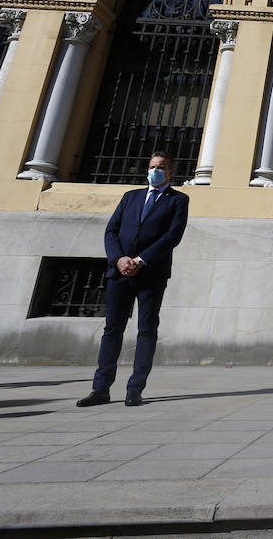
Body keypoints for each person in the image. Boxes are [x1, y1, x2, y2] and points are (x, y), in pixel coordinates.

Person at [77, 152, 189, 408]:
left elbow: (173, 235)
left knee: (146, 330)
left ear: (170, 172)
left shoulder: (178, 200)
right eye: (152, 167)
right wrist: (118, 259)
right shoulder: (131, 197)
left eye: (161, 167)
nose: (155, 171)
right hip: (119, 272)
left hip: (151, 274)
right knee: (111, 330)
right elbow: (111, 230)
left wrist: (140, 260)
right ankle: (100, 389)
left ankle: (135, 389)